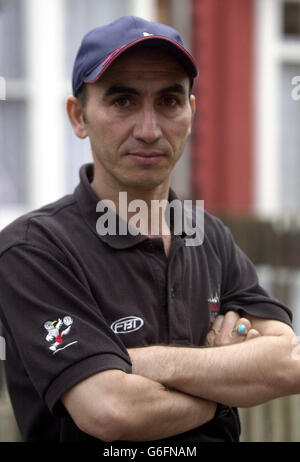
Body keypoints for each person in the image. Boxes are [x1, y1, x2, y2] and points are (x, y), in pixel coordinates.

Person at [0, 16, 298, 444]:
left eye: (169, 101)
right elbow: (112, 410)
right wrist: (232, 384)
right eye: (122, 101)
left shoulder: (208, 236)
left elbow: (288, 360)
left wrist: (146, 365)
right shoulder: (33, 251)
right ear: (78, 116)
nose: (149, 129)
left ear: (191, 113)